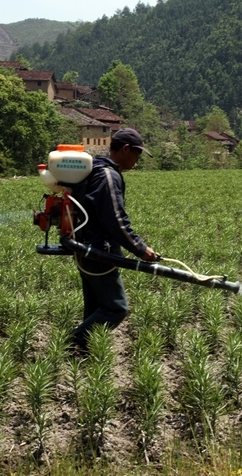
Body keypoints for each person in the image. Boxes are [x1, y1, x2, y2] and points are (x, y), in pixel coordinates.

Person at [71, 128, 159, 351]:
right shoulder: (108, 176)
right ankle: (72, 343)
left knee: (96, 306)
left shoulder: (98, 170)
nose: (136, 161)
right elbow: (116, 220)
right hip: (100, 250)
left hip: (87, 247)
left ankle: (83, 352)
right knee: (116, 307)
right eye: (137, 155)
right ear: (125, 149)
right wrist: (140, 248)